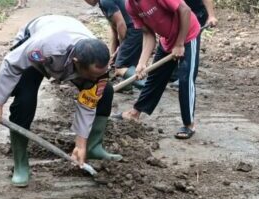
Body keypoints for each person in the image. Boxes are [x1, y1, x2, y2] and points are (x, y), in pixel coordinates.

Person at [0, 15, 121, 188]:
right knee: (25, 101)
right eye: (92, 75)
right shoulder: (44, 48)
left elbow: (88, 103)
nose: (96, 78)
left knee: (105, 91)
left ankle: (93, 147)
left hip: (69, 34)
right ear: (76, 63)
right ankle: (20, 163)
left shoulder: (99, 66)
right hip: (36, 48)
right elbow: (11, 64)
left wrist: (81, 144)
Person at [115, 0, 201, 139]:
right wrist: (142, 63)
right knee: (155, 78)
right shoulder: (130, 6)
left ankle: (189, 124)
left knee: (186, 78)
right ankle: (135, 113)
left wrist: (180, 43)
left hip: (187, 35)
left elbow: (185, 10)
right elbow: (148, 34)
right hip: (167, 40)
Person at [83, 0, 145, 88]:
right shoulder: (103, 3)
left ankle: (146, 85)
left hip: (133, 30)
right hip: (137, 28)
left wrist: (121, 46)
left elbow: (121, 24)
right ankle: (126, 87)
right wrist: (112, 55)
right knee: (126, 63)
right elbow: (114, 28)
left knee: (120, 67)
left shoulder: (105, 2)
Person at [169, 0, 217, 88]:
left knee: (189, 45)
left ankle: (186, 78)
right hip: (179, 12)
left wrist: (211, 15)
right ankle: (173, 74)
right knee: (176, 40)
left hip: (197, 13)